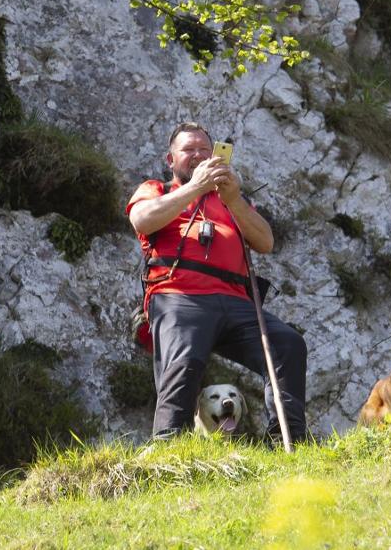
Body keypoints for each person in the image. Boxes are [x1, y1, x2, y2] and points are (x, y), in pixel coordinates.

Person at [127, 122, 308, 441]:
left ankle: (286, 437)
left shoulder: (232, 200)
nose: (198, 155)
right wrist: (195, 187)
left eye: (204, 150)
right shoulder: (159, 189)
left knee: (287, 344)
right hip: (180, 295)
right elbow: (142, 219)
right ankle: (170, 443)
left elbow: (265, 242)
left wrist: (234, 198)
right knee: (184, 359)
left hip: (236, 302)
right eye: (188, 150)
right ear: (171, 160)